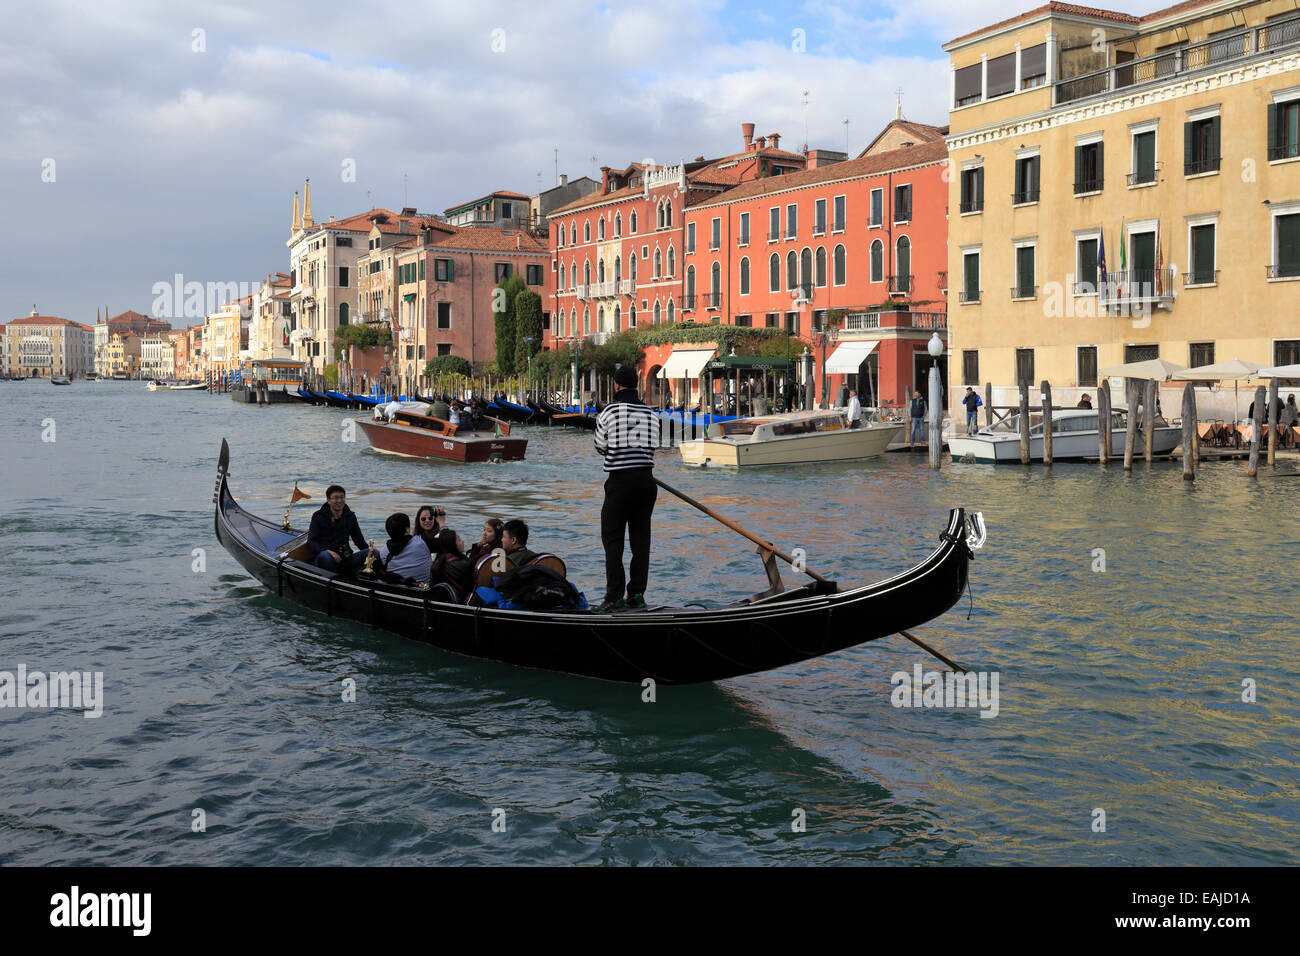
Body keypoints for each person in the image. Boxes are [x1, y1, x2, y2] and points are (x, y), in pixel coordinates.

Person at [594, 364, 659, 613]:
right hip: (646, 482)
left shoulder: (609, 412)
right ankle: (637, 595)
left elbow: (600, 447)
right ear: (636, 385)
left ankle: (614, 597)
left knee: (613, 541)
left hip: (620, 483)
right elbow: (652, 447)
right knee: (641, 543)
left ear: (616, 385)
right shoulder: (651, 414)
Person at [307, 485, 377, 574]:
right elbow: (311, 542)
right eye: (335, 498)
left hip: (345, 558)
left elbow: (359, 541)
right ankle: (337, 579)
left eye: (342, 497)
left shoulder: (350, 516)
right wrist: (328, 551)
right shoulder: (318, 516)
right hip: (325, 558)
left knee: (374, 552)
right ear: (328, 500)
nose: (339, 501)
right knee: (325, 556)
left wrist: (371, 555)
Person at [377, 512, 432, 585]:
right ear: (407, 530)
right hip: (423, 590)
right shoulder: (421, 542)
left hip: (398, 591)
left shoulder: (384, 552)